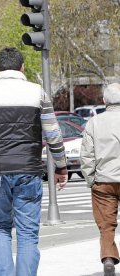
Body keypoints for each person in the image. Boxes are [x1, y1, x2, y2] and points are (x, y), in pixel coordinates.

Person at [0, 47, 68, 276]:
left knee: (0, 229)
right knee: (28, 233)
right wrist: (61, 166)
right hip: (29, 170)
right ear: (22, 67)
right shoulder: (37, 92)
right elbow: (53, 134)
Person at [80, 83, 120, 276]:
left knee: (106, 224)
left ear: (104, 101)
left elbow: (87, 155)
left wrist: (91, 180)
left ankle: (109, 257)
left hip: (104, 180)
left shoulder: (94, 123)